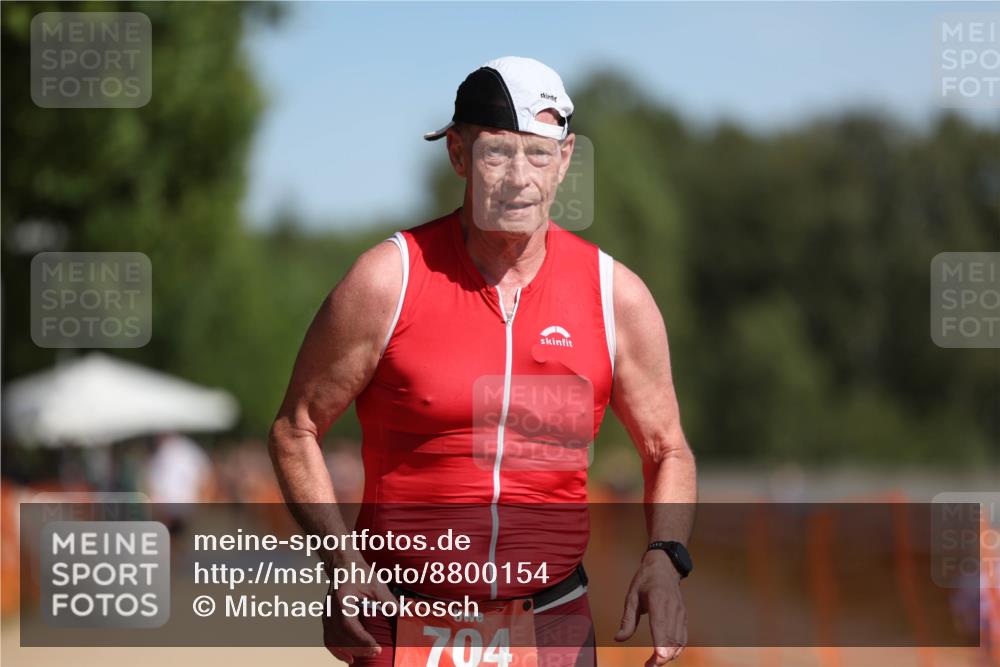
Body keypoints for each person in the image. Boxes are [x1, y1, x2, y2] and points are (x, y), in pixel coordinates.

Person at [268, 56, 697, 667]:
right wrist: (340, 560)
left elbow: (668, 449)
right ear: (459, 155)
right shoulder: (390, 278)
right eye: (497, 153)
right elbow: (295, 427)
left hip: (552, 623)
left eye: (539, 154)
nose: (519, 177)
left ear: (567, 159)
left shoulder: (615, 296)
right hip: (402, 621)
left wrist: (666, 556)